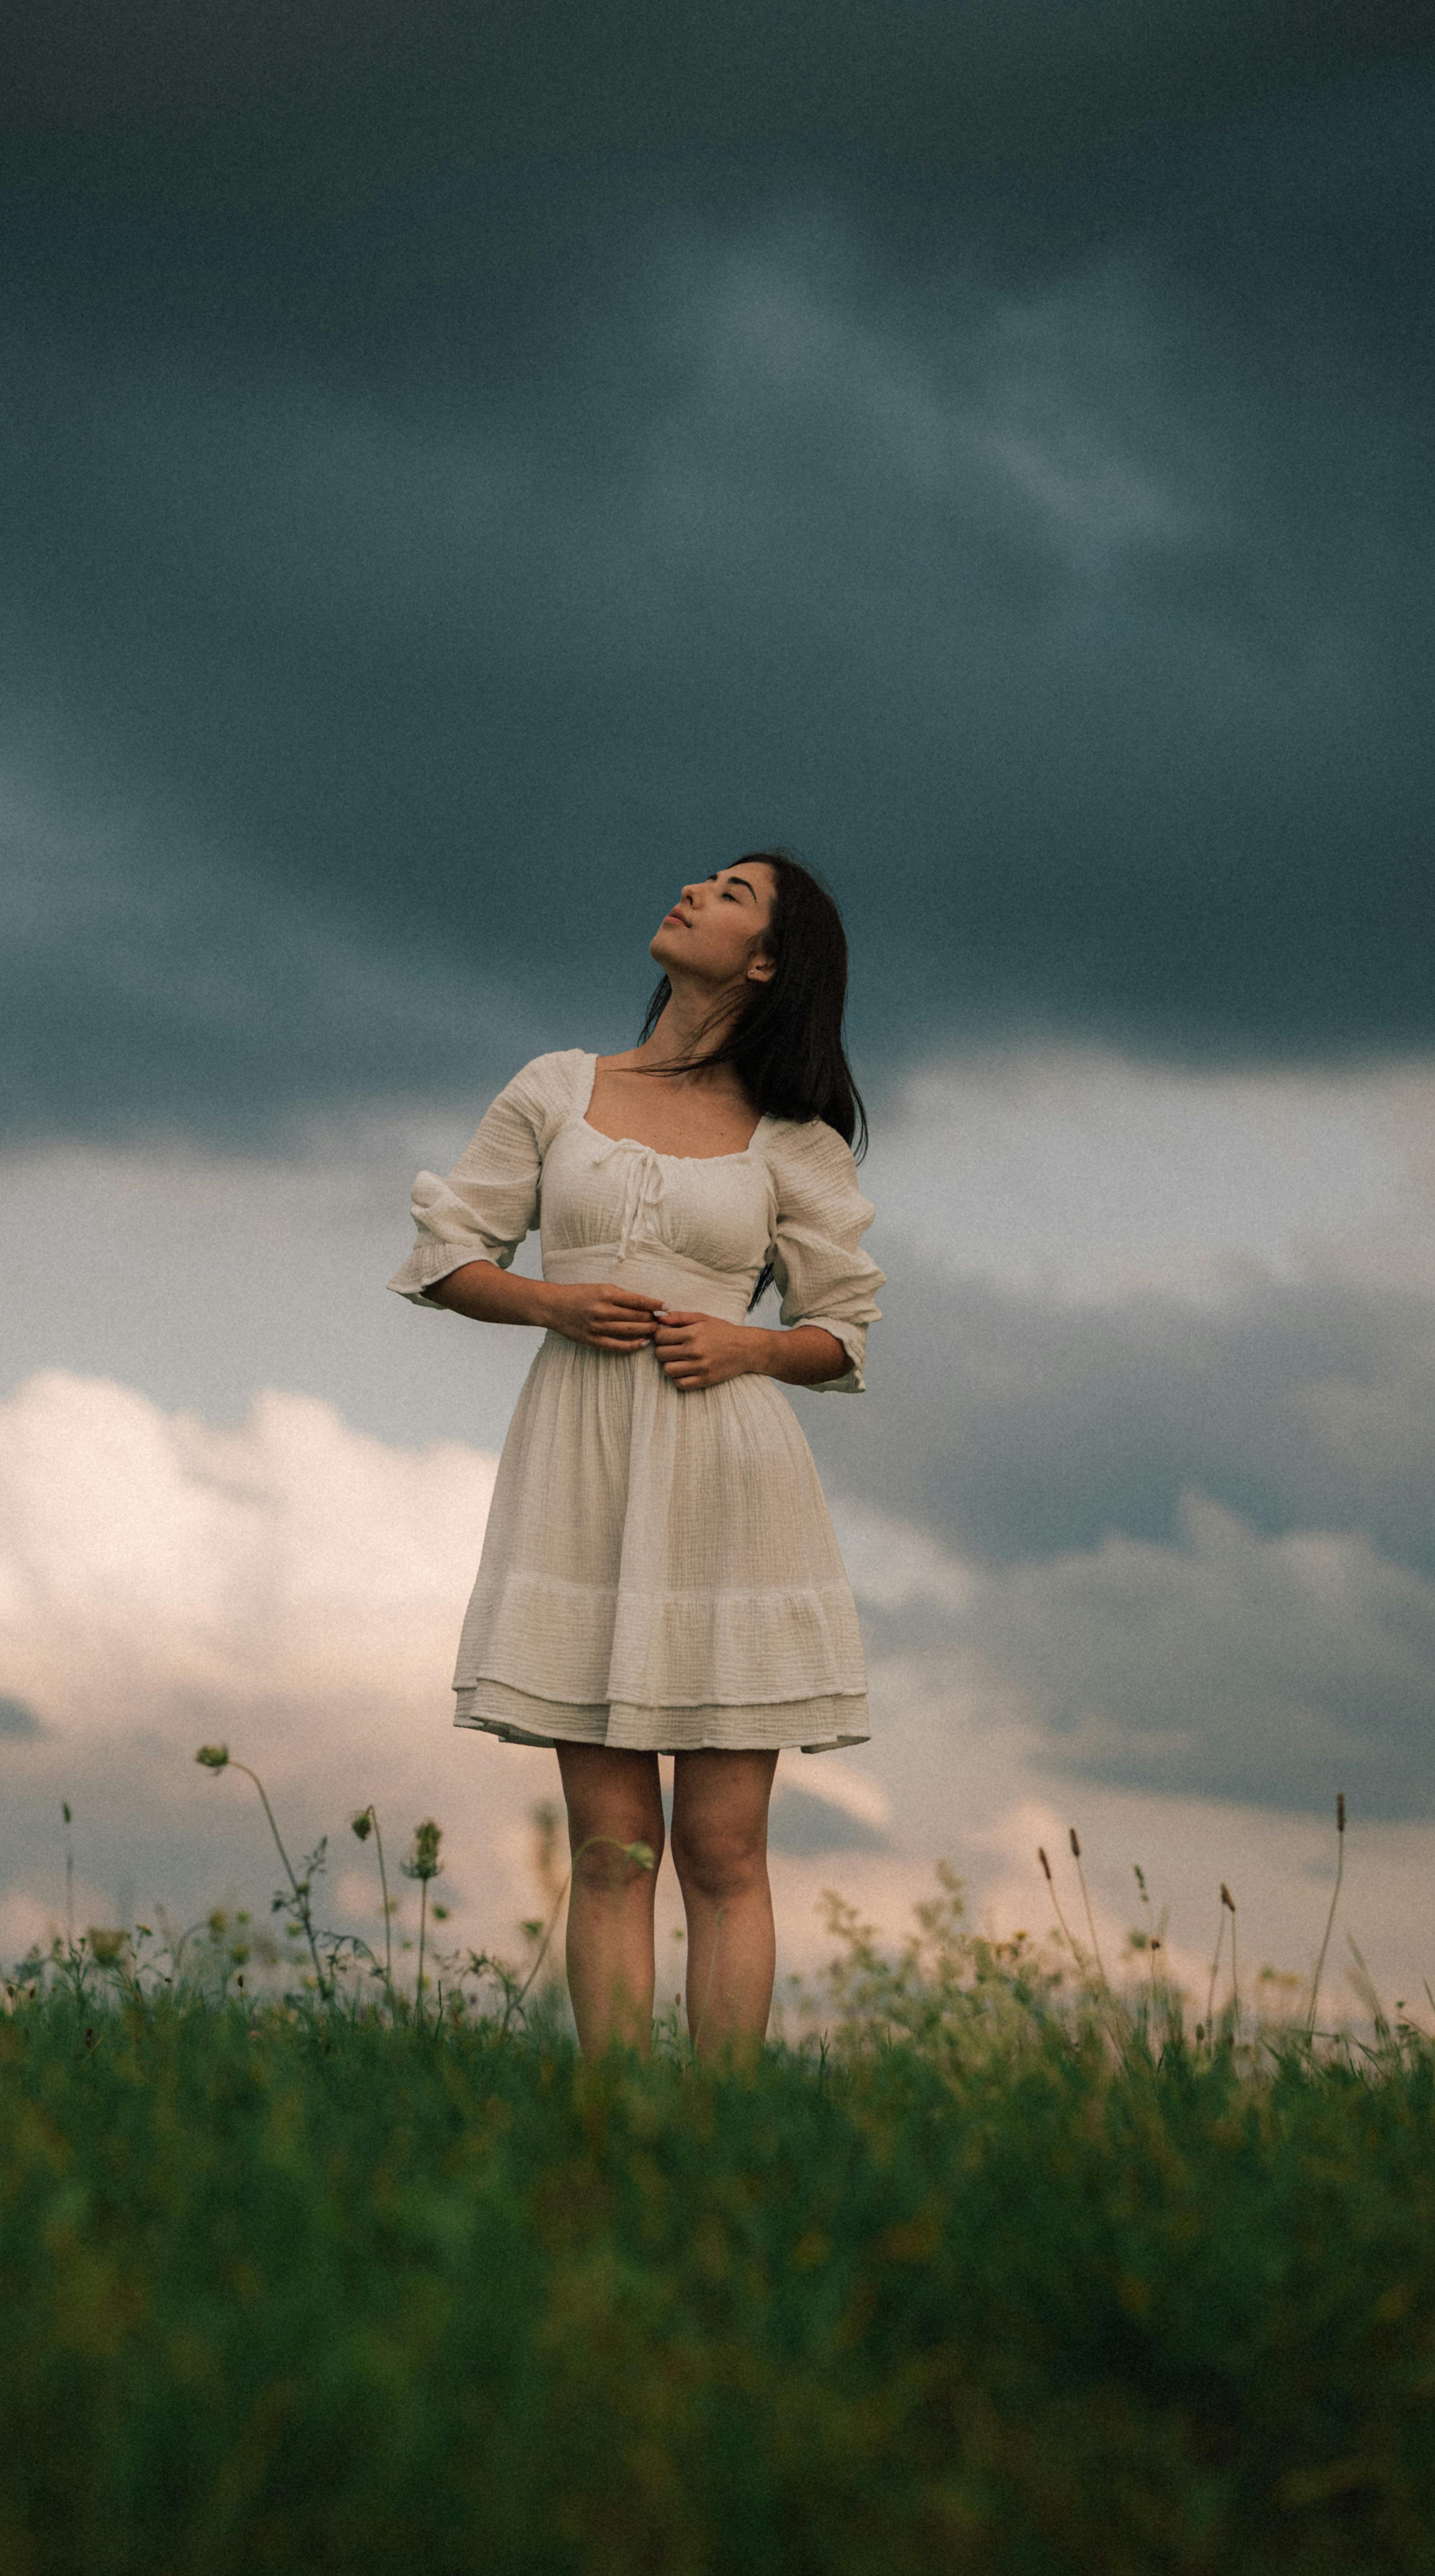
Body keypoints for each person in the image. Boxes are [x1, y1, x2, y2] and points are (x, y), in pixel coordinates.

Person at [388, 849, 883, 2057]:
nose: (694, 891)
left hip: (730, 1475)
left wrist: (751, 1347)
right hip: (586, 1467)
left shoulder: (790, 1136)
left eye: (731, 893)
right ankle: (610, 2122)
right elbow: (449, 1254)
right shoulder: (558, 1088)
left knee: (723, 1848)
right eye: (702, 879)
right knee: (612, 1844)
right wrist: (553, 1304)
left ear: (767, 959)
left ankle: (717, 2135)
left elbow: (842, 1332)